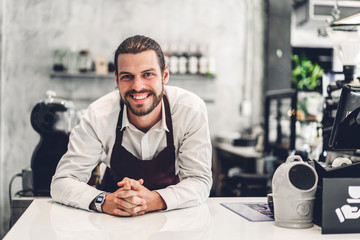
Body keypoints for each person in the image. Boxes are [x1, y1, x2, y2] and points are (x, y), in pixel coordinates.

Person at [50, 35, 212, 217]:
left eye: (148, 74)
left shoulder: (190, 110)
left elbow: (199, 180)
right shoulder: (98, 115)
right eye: (127, 77)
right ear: (117, 80)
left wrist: (155, 200)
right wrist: (104, 201)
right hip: (111, 216)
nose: (137, 86)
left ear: (164, 76)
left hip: (171, 216)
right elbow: (62, 181)